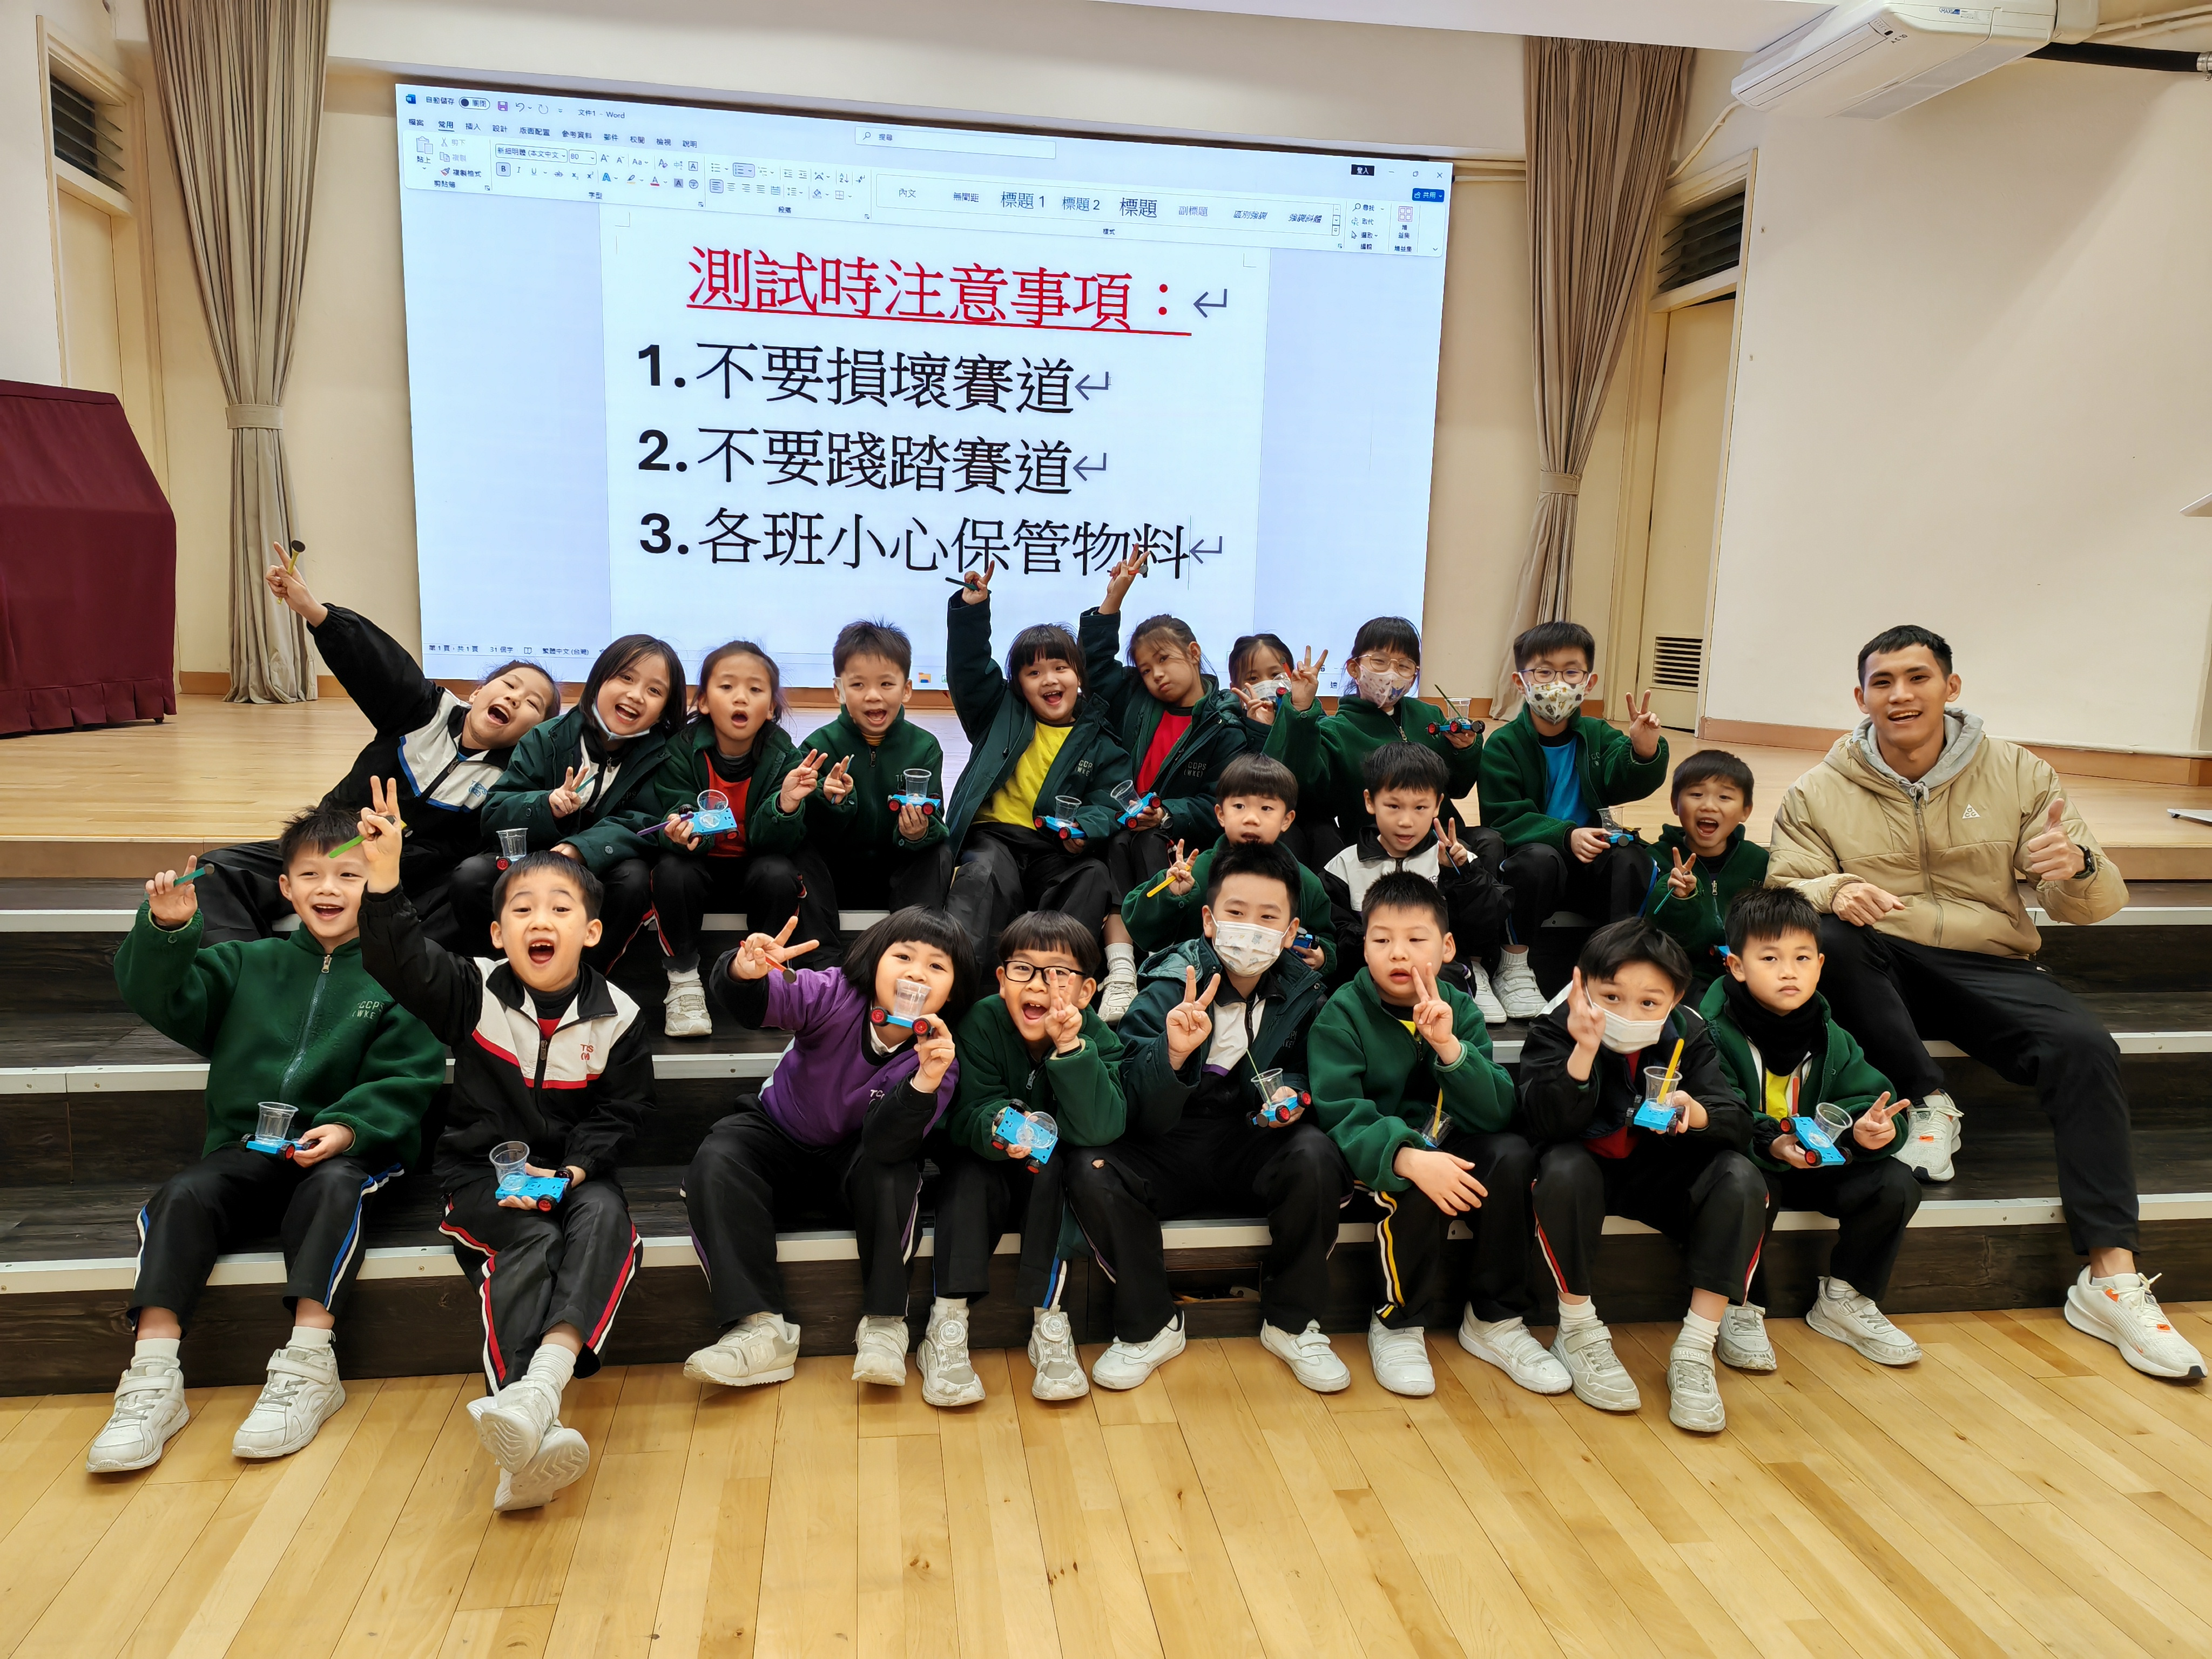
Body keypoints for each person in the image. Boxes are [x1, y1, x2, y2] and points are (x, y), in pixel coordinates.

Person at [1768, 623, 2204, 1380]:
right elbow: (1782, 888)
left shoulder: (2019, 773)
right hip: (1879, 966)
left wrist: (2078, 866)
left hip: (1988, 964)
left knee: (2085, 1048)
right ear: (1860, 697)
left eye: (1918, 678)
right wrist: (1834, 889)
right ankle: (1928, 1100)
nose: (1901, 695)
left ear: (1951, 687)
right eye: (1882, 682)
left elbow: (2089, 906)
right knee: (1829, 936)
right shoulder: (1818, 790)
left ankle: (2110, 1276)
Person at [86, 805, 444, 1474]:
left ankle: (309, 1365)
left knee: (333, 1188)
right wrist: (168, 931)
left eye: (348, 874)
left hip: (345, 1152)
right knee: (183, 1194)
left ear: (374, 884)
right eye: (310, 875)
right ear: (285, 887)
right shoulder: (244, 963)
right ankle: (152, 1375)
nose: (328, 888)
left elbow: (409, 1075)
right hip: (248, 1147)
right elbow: (161, 997)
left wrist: (349, 1126)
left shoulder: (400, 976)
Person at [355, 781, 654, 1514]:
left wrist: (571, 1173)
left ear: (591, 932)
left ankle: (537, 1393)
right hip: (480, 1176)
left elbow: (621, 1114)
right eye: (521, 910)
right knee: (533, 1242)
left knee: (608, 1219)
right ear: (496, 934)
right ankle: (528, 1425)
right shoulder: (473, 990)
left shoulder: (620, 1016)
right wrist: (385, 878)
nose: (539, 920)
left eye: (560, 909)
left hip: (574, 1173)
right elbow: (400, 961)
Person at [1066, 844, 1352, 1393]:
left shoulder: (1307, 991)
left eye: (1268, 918)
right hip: (1167, 1142)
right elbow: (1128, 1097)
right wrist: (1172, 1055)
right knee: (1092, 1166)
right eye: (1236, 913)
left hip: (1251, 1142)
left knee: (1316, 1155)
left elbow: (1315, 1070)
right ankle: (1150, 1325)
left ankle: (1293, 1322)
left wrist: (1294, 1094)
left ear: (1291, 931)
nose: (1251, 930)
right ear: (1208, 919)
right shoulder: (1167, 984)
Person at [680, 909, 977, 1393]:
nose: (917, 974)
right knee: (718, 1157)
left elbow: (888, 1143)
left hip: (858, 1159)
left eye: (937, 966)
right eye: (903, 957)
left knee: (894, 1169)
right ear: (874, 960)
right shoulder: (834, 991)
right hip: (778, 1133)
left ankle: (884, 1325)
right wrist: (743, 971)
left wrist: (925, 1079)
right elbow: (755, 1003)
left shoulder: (942, 1058)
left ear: (954, 991)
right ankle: (760, 1329)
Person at [193, 562, 558, 947]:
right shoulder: (424, 710)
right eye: (509, 685)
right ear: (478, 692)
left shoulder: (517, 779)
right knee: (216, 870)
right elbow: (379, 664)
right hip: (334, 850)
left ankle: (384, 972)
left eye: (533, 704)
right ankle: (247, 969)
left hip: (407, 884)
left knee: (467, 890)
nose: (515, 698)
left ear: (535, 732)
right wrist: (313, 611)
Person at [1308, 871, 1562, 1400]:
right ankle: (1398, 1323)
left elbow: (1497, 1111)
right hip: (1379, 1155)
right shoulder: (1341, 1013)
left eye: (1415, 939)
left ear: (1446, 947)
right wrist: (1406, 1156)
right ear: (1364, 947)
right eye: (1382, 940)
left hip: (1449, 1141)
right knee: (1420, 1180)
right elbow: (1341, 1112)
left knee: (1511, 1155)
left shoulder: (1459, 1007)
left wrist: (1449, 1048)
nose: (1398, 953)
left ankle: (1495, 1320)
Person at [1519, 920, 1764, 1433]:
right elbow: (1544, 1124)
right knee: (1561, 1167)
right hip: (1586, 1175)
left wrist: (1697, 1112)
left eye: (1649, 1002)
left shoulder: (1689, 1031)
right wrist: (1583, 1051)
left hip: (1656, 1174)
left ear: (1675, 999)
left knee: (1740, 1177)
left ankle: (1696, 1348)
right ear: (1583, 984)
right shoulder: (1554, 1025)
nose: (1629, 1014)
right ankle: (1577, 1330)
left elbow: (1737, 1121)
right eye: (1612, 996)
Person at [1701, 888, 1923, 1371]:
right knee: (1745, 1182)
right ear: (1736, 966)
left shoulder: (1830, 1034)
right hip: (1755, 1161)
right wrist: (1773, 1143)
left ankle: (1846, 1298)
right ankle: (1740, 1303)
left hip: (1815, 1161)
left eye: (1802, 958)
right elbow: (1721, 1111)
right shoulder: (1710, 1031)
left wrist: (1870, 1130)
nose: (1789, 972)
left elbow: (1866, 1098)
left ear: (1820, 965)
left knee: (1895, 1183)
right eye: (1770, 958)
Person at [933, 912, 1125, 1404]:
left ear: (1087, 991)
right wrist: (996, 1122)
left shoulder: (1098, 1037)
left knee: (1057, 1166)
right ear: (1001, 980)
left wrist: (1070, 1048)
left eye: (1059, 973)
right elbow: (962, 1113)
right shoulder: (981, 1022)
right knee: (967, 1174)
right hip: (986, 1163)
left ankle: (1049, 1322)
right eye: (1023, 969)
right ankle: (947, 1323)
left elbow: (1102, 1128)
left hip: (1048, 1178)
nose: (1040, 985)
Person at [1082, 554, 1257, 1023]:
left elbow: (1221, 802)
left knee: (1141, 843)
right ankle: (1121, 972)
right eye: (1144, 668)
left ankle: (1158, 967)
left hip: (1176, 840)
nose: (1155, 674)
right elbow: (1094, 664)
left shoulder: (1224, 724)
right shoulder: (1135, 700)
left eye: (1164, 660)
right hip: (1122, 826)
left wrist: (1165, 814)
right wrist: (1113, 599)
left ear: (1194, 654)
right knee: (1117, 843)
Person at [456, 635, 686, 974]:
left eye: (654, 690)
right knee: (471, 876)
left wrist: (582, 849)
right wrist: (546, 805)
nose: (636, 695)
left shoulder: (664, 754)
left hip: (604, 868)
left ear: (665, 709)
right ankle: (503, 977)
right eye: (626, 677)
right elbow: (495, 814)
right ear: (598, 680)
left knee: (635, 879)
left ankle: (586, 980)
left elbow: (649, 822)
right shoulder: (546, 737)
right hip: (533, 859)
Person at [942, 565, 1131, 966]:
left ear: (1078, 676)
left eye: (1061, 668)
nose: (1049, 680)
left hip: (1053, 848)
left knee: (1093, 874)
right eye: (1034, 672)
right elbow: (969, 669)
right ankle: (960, 986)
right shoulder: (999, 714)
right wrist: (972, 610)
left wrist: (1085, 829)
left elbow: (1111, 800)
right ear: (1019, 685)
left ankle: (1058, 982)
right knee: (982, 874)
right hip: (995, 839)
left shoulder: (1099, 737)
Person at [1479, 621, 1668, 1021]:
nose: (1557, 684)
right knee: (1537, 860)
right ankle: (1514, 965)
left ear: (1589, 682)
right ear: (1520, 681)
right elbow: (1503, 817)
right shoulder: (1504, 745)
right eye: (1544, 672)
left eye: (1570, 672)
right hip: (1537, 868)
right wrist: (1566, 835)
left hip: (1590, 864)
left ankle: (1618, 965)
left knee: (1632, 857)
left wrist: (1644, 750)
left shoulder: (1598, 735)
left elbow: (1624, 778)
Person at [652, 640, 840, 1039]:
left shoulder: (783, 755)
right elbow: (671, 814)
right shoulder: (681, 751)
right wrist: (681, 832)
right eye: (727, 687)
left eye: (755, 690)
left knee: (779, 871)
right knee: (672, 870)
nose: (741, 698)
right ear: (704, 702)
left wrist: (786, 803)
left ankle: (766, 978)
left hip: (754, 867)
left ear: (770, 708)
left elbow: (775, 843)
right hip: (699, 867)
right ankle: (684, 982)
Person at [1259, 615, 1487, 855]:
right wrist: (1301, 710)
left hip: (1443, 840)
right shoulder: (1336, 730)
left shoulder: (1430, 716)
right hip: (1376, 848)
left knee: (1489, 843)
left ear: (1414, 676)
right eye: (1380, 661)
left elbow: (1458, 788)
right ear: (1354, 668)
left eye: (1404, 666)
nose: (1392, 673)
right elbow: (1307, 792)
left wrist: (1465, 750)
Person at [1321, 743, 1509, 1014]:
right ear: (1370, 801)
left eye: (1420, 807)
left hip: (1438, 981)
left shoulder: (1457, 861)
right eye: (1394, 806)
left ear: (1438, 805)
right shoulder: (1345, 865)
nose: (1406, 821)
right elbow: (1333, 931)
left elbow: (1483, 928)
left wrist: (1460, 876)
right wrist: (1380, 942)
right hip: (1369, 980)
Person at [1120, 753, 1336, 982]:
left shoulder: (1304, 882)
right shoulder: (1196, 873)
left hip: (1278, 993)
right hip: (1195, 988)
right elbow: (1141, 928)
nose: (1251, 819)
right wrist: (1171, 893)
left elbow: (1324, 936)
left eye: (1266, 808)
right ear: (1221, 815)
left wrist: (1322, 956)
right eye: (1239, 806)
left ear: (1287, 820)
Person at [795, 619, 955, 920]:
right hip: (835, 875)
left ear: (906, 690)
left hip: (898, 871)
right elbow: (807, 827)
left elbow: (936, 817)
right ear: (839, 691)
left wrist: (918, 833)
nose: (873, 696)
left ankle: (914, 938)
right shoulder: (818, 747)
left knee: (939, 852)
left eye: (886, 684)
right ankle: (821, 949)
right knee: (801, 852)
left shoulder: (924, 747)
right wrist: (829, 801)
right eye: (858, 685)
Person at [1644, 748, 1765, 1000]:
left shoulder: (1759, 862)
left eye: (1725, 797)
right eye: (1696, 794)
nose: (1709, 806)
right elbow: (1650, 930)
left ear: (1746, 810)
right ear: (1675, 804)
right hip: (1678, 975)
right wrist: (1678, 897)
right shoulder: (1655, 859)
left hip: (1745, 975)